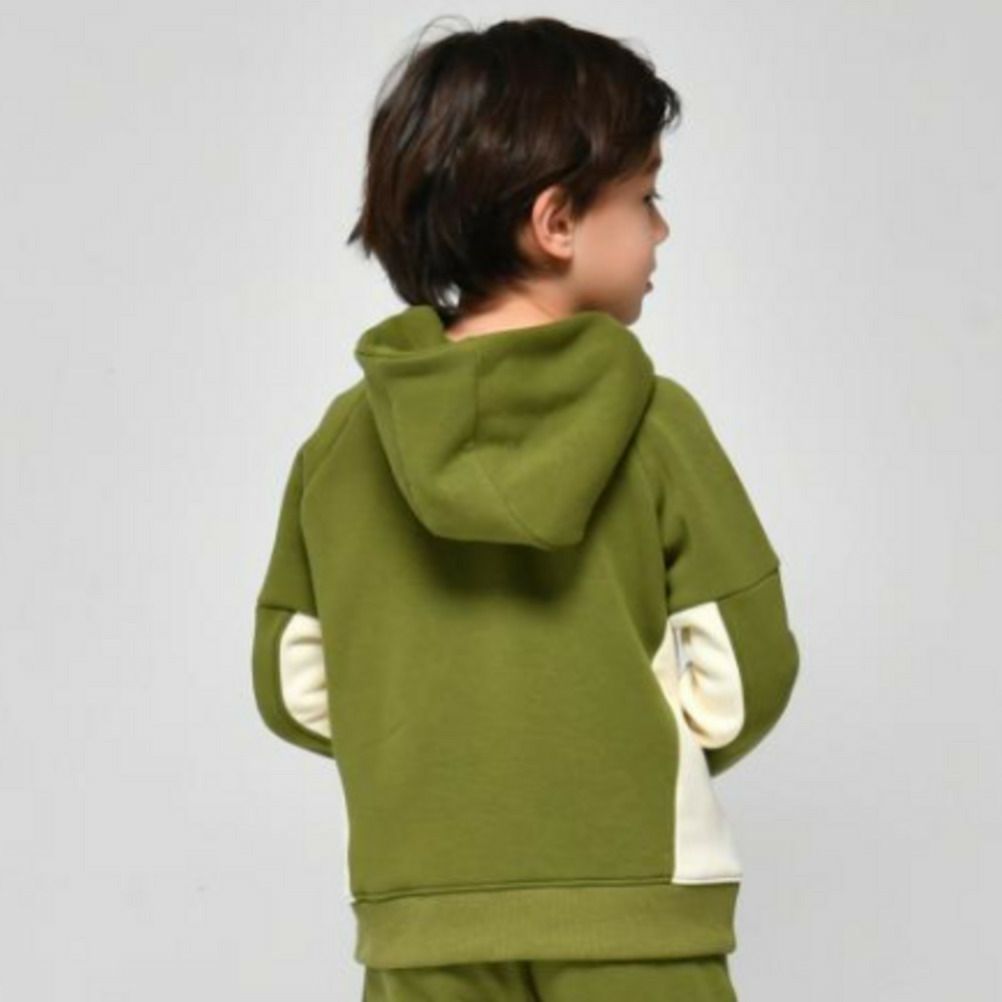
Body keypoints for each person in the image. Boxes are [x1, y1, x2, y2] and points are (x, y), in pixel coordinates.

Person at [251, 15, 800, 1002]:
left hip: (423, 913)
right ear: (556, 223)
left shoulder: (345, 443)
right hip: (633, 909)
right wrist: (631, 745)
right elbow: (743, 668)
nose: (662, 228)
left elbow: (293, 679)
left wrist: (428, 744)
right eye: (646, 195)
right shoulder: (654, 423)